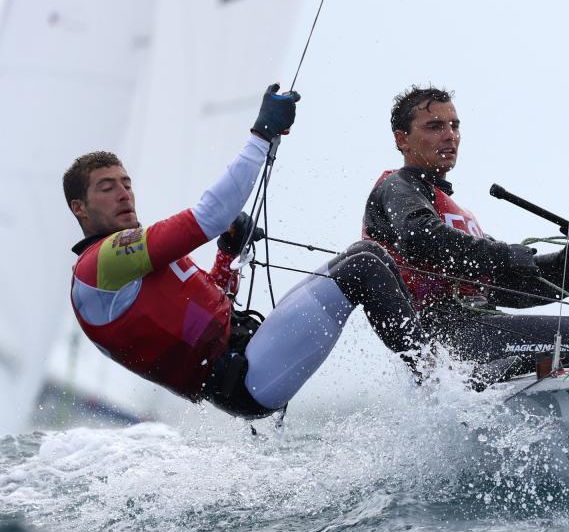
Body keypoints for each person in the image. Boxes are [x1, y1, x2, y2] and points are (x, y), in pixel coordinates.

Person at [66, 84, 424, 419]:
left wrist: (228, 253)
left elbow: (209, 303)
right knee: (362, 269)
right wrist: (261, 136)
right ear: (79, 207)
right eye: (107, 188)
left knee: (369, 252)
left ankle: (437, 361)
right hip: (244, 380)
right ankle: (435, 382)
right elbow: (210, 216)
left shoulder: (132, 262)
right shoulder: (100, 265)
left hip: (249, 351)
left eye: (126, 184)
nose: (123, 194)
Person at [363, 85, 569, 382]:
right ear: (402, 139)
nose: (450, 135)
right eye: (435, 126)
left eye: (454, 126)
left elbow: (531, 285)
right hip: (448, 339)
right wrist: (503, 254)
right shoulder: (397, 187)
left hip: (483, 328)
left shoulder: (458, 218)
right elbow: (420, 237)